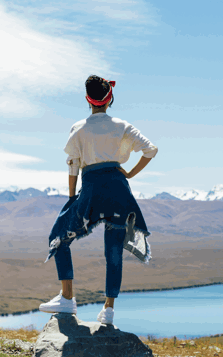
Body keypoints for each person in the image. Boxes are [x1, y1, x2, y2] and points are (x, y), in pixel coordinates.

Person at [39, 75, 158, 325]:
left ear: (87, 100)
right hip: (118, 188)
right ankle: (109, 311)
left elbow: (73, 166)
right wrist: (129, 173)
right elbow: (151, 149)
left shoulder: (78, 129)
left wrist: (72, 198)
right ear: (109, 98)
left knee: (58, 237)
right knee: (113, 250)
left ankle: (67, 299)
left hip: (91, 189)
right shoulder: (122, 126)